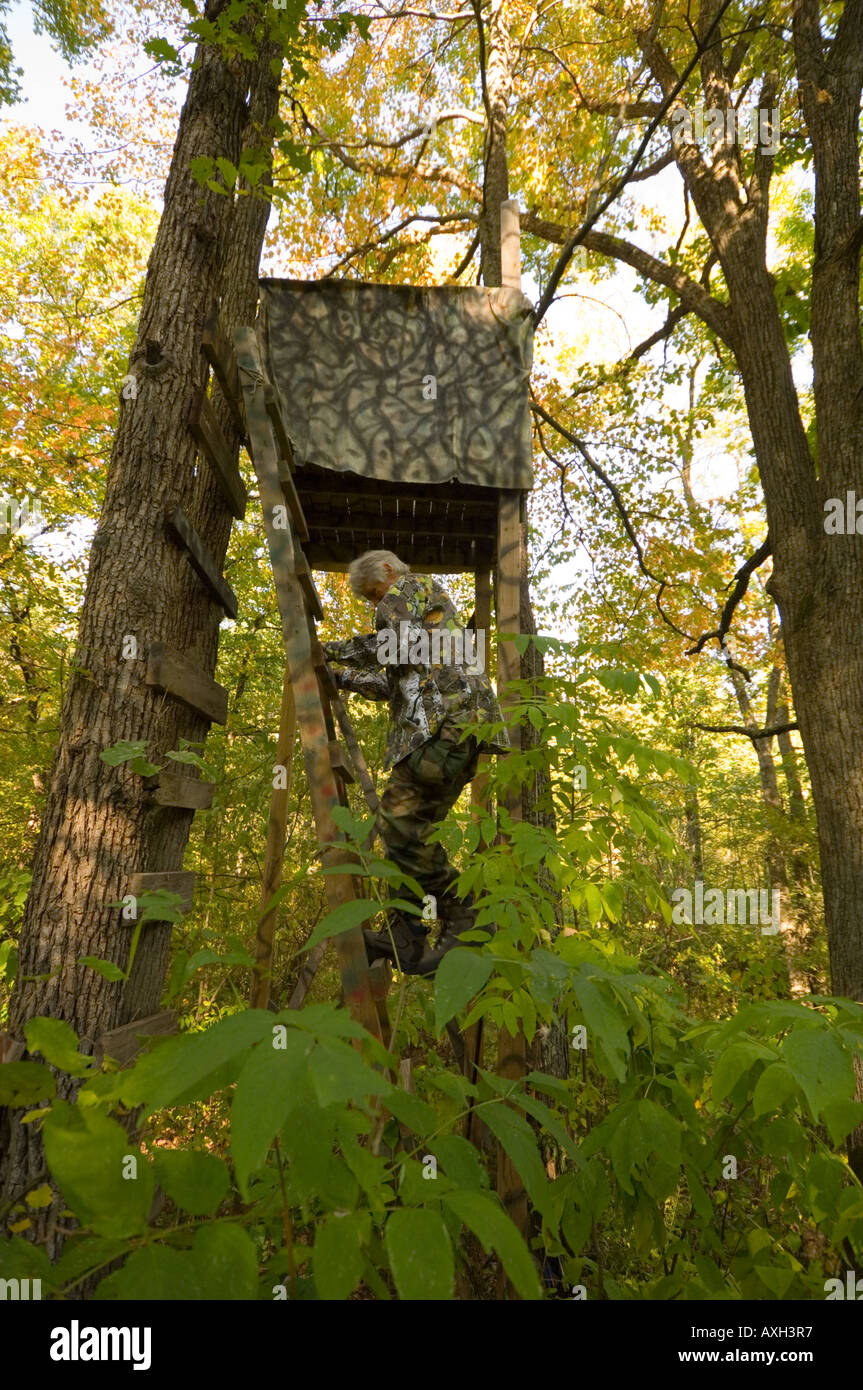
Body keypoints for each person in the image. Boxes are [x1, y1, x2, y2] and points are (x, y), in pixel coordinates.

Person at [323, 549, 509, 975]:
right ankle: (407, 933)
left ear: (389, 570)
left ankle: (465, 911)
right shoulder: (426, 624)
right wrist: (343, 677)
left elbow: (394, 649)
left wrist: (328, 650)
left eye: (374, 594)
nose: (377, 606)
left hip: (445, 726)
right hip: (459, 728)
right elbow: (398, 682)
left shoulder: (409, 587)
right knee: (411, 833)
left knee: (395, 824)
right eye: (372, 601)